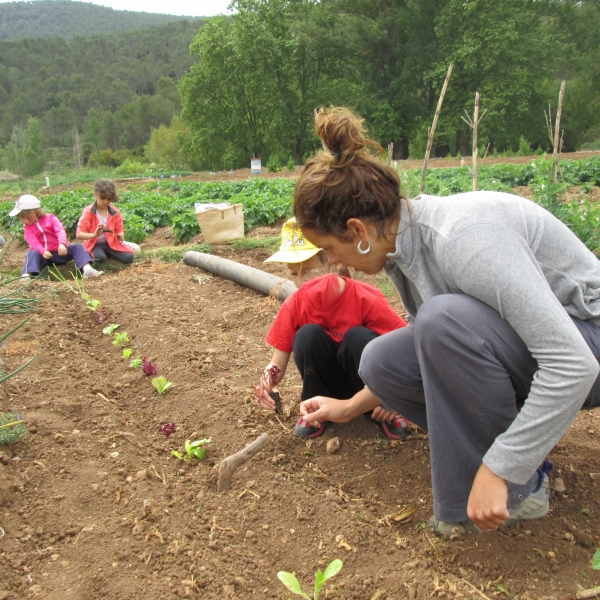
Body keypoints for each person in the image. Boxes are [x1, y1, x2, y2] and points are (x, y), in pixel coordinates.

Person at [293, 107, 600, 536]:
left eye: (328, 248)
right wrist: (348, 406)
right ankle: (512, 475)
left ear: (358, 231)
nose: (332, 263)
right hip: (541, 348)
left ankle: (516, 486)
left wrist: (500, 467)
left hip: (588, 339)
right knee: (382, 360)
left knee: (440, 320)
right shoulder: (404, 249)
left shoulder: (462, 239)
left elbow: (575, 364)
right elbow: (437, 358)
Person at [254, 217, 410, 439]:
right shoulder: (296, 303)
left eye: (307, 271)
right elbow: (276, 362)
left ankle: (381, 407)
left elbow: (403, 350)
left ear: (334, 262)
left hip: (367, 389)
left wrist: (392, 395)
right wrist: (266, 382)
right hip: (323, 389)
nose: (299, 282)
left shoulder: (366, 298)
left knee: (359, 337)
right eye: (293, 273)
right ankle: (315, 409)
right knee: (307, 335)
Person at [10, 194, 103, 278]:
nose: (21, 220)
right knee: (31, 253)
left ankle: (87, 269)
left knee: (77, 247)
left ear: (33, 213)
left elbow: (60, 230)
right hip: (43, 256)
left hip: (58, 253)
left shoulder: (50, 218)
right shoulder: (27, 227)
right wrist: (42, 251)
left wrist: (62, 244)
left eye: (22, 217)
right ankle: (27, 275)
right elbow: (33, 241)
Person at [75, 179, 140, 265]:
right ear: (95, 195)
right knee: (100, 258)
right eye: (102, 198)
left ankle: (110, 253)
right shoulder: (88, 212)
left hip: (111, 243)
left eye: (109, 199)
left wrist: (120, 235)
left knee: (128, 258)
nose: (105, 201)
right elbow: (79, 234)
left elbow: (119, 229)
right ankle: (98, 254)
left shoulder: (115, 212)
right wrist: (94, 235)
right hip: (94, 243)